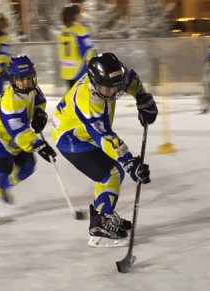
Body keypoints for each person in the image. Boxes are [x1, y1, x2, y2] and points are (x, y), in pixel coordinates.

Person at [50, 52, 158, 247]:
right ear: (95, 82)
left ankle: (103, 215)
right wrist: (129, 161)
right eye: (107, 88)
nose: (113, 92)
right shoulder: (88, 100)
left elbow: (130, 78)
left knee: (111, 173)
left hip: (83, 131)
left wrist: (142, 97)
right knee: (111, 173)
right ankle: (99, 229)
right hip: (70, 136)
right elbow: (104, 136)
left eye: (116, 86)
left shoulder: (112, 77)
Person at [0, 55, 57, 225]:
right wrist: (40, 145)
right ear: (13, 79)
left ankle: (4, 186)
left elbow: (39, 102)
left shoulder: (34, 90)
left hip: (16, 136)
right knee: (0, 172)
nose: (26, 82)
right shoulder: (9, 103)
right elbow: (19, 131)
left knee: (28, 167)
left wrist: (40, 114)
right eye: (21, 79)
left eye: (29, 77)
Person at [57, 4, 95, 90]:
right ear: (75, 16)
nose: (81, 15)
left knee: (72, 97)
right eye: (79, 14)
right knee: (81, 98)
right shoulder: (81, 30)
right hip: (79, 71)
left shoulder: (62, 32)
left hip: (66, 71)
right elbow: (86, 51)